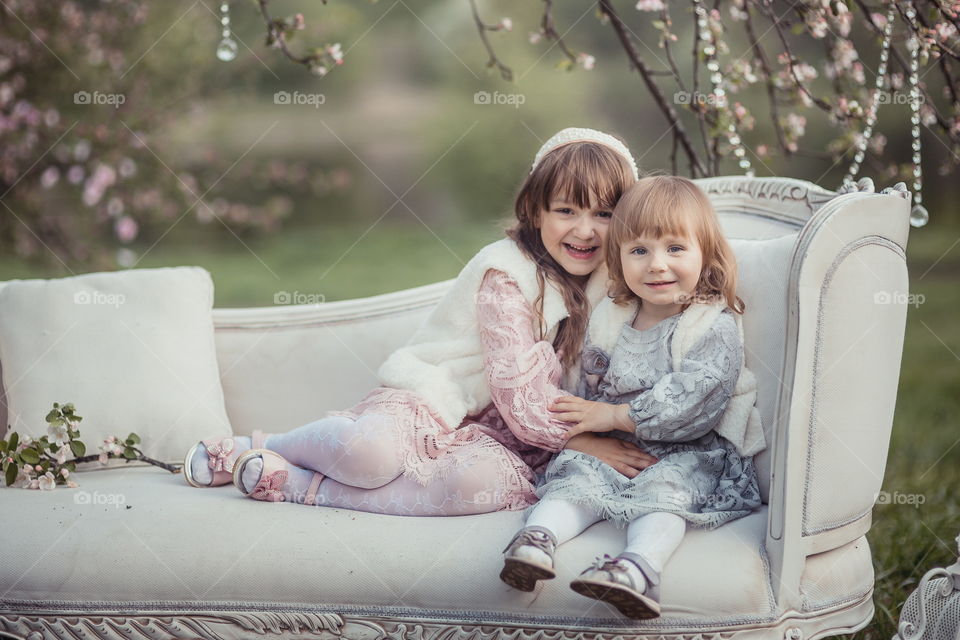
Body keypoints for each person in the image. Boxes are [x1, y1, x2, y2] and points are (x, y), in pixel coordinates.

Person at [182, 127, 659, 516]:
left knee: (479, 489)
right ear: (536, 211)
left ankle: (300, 486)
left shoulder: (617, 286)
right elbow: (519, 393)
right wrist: (586, 441)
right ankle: (263, 443)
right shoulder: (507, 274)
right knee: (370, 455)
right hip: (435, 401)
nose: (584, 230)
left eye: (604, 213)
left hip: (512, 442)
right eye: (566, 211)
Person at [499, 175, 765, 619]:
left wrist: (618, 415)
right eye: (639, 250)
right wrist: (580, 420)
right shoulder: (613, 315)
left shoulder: (708, 324)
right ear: (619, 261)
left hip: (685, 450)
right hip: (615, 444)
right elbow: (589, 381)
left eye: (675, 249)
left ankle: (638, 568)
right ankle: (536, 541)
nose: (657, 265)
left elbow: (697, 397)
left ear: (706, 254)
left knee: (667, 493)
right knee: (576, 476)